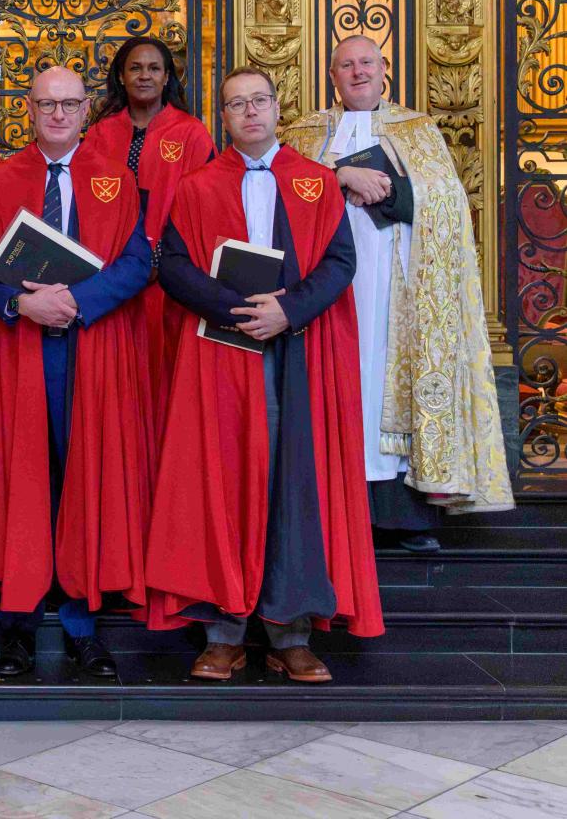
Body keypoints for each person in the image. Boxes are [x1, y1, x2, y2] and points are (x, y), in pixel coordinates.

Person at [147, 67, 384, 684]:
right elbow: (170, 264)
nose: (249, 112)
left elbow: (339, 262)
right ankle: (223, 633)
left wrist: (288, 310)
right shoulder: (199, 186)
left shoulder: (313, 182)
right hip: (222, 357)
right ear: (221, 118)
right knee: (221, 483)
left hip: (297, 353)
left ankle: (291, 633)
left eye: (258, 101)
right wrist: (236, 311)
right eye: (234, 105)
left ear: (278, 109)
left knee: (291, 484)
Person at [0, 67, 154, 680]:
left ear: (85, 110)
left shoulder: (116, 179)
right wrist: (22, 304)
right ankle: (15, 629)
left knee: (82, 480)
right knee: (22, 480)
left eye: (70, 104)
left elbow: (138, 261)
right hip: (18, 353)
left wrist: (80, 302)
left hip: (91, 350)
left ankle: (81, 625)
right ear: (30, 109)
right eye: (47, 104)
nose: (59, 114)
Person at [286, 36, 514, 552]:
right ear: (331, 74)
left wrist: (388, 189)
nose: (357, 71)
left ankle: (404, 518)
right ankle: (325, 516)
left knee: (383, 386)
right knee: (334, 384)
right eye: (346, 64)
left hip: (397, 291)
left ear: (384, 69)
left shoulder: (418, 130)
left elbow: (450, 206)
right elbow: (280, 190)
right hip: (321, 289)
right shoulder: (303, 134)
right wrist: (340, 175)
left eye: (366, 62)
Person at [85, 37, 216, 439]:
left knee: (165, 382)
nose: (144, 75)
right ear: (121, 77)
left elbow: (203, 205)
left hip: (169, 282)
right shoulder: (99, 134)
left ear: (167, 77)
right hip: (108, 278)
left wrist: (162, 257)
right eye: (135, 68)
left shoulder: (191, 133)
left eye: (154, 68)